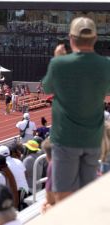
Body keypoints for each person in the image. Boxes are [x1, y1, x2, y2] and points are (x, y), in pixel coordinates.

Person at [42, 17, 110, 202]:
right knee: (88, 189)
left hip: (66, 137)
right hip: (92, 137)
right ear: (95, 39)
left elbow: (47, 88)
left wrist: (57, 59)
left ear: (71, 39)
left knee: (63, 192)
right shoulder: (106, 65)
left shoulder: (60, 64)